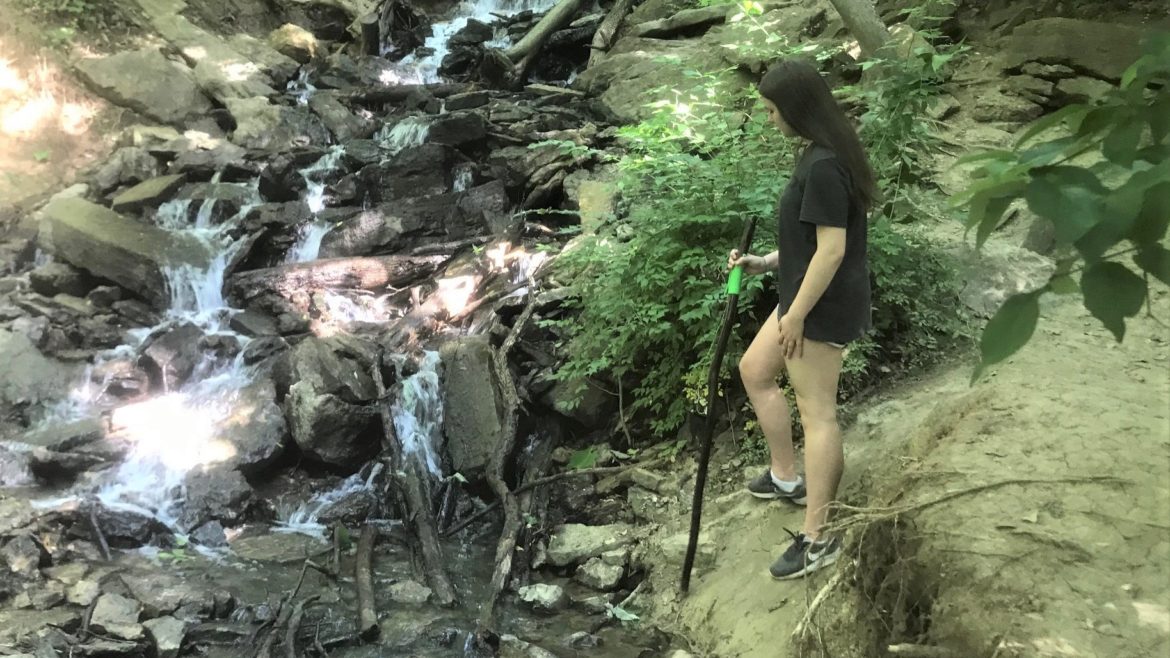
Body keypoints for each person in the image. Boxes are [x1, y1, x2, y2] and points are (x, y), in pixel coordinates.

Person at [728, 58, 877, 580]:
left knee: (818, 415)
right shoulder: (820, 155)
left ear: (795, 110)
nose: (770, 120)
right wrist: (767, 262)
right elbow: (810, 239)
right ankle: (786, 477)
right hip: (800, 295)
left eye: (772, 111)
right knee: (755, 370)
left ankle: (818, 538)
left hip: (818, 306)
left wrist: (795, 316)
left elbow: (832, 252)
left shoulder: (823, 166)